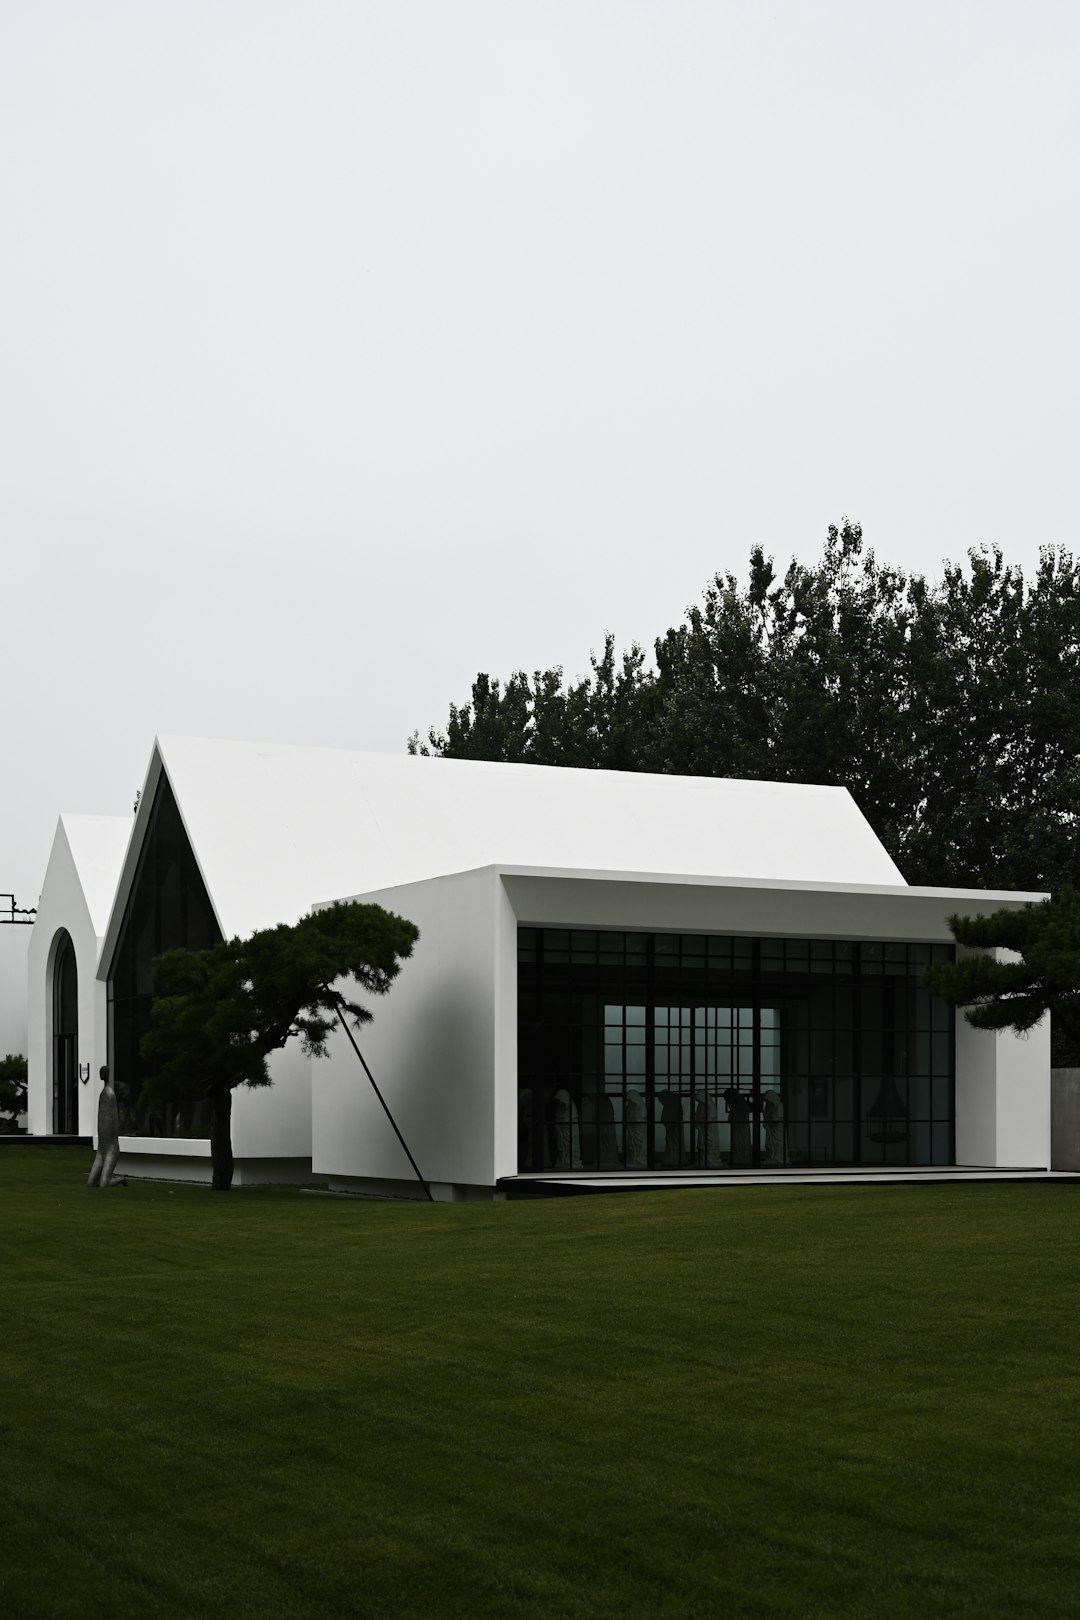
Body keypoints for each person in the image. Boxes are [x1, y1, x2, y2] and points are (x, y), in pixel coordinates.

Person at [87, 1066, 125, 1188]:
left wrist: (113, 1143)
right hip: (102, 1148)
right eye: (100, 1072)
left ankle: (120, 1179)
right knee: (91, 1182)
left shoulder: (110, 1094)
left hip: (110, 1148)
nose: (101, 1074)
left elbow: (114, 1121)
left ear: (107, 1074)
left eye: (103, 1072)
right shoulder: (103, 1094)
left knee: (104, 1184)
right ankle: (108, 1176)